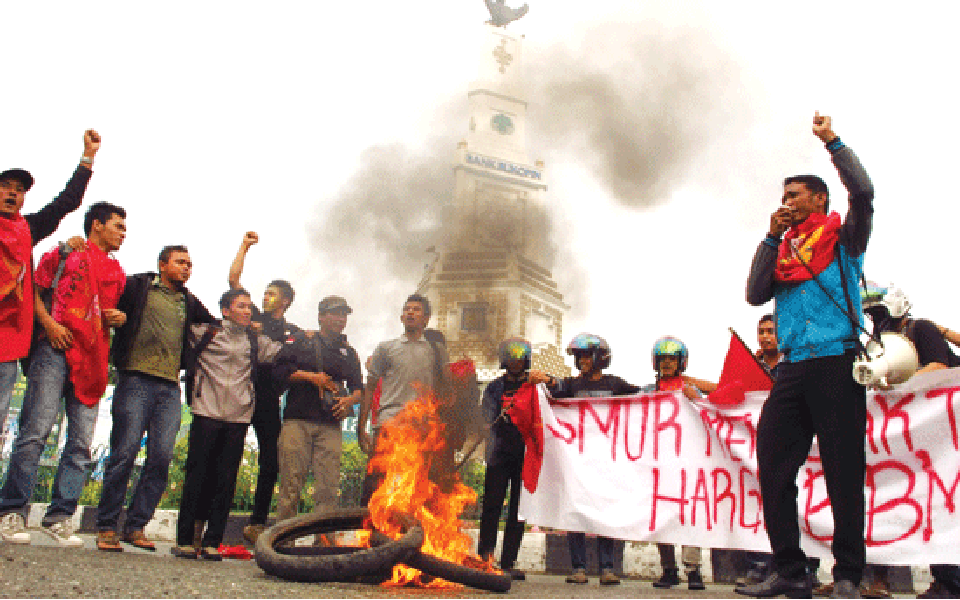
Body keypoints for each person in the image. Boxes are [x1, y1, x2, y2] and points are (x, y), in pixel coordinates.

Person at [740, 112, 874, 599]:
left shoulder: (843, 239)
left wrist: (833, 143)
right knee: (773, 461)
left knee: (842, 472)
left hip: (837, 364)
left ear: (819, 198)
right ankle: (791, 571)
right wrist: (771, 236)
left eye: (794, 195)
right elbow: (755, 296)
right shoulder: (784, 251)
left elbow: (864, 193)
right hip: (794, 370)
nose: (786, 203)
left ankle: (848, 576)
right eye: (783, 198)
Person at [0, 201, 126, 546]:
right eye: (117, 225)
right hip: (53, 349)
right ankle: (11, 511)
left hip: (92, 359)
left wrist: (118, 318)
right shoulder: (63, 254)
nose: (123, 233)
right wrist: (50, 325)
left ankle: (60, 517)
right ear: (96, 225)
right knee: (35, 431)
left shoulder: (117, 270)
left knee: (80, 444)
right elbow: (34, 295)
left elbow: (106, 311)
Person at [95, 245, 215, 552]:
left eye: (190, 264)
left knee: (161, 459)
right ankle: (107, 526)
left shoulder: (187, 301)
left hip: (169, 388)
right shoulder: (138, 286)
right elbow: (108, 305)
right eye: (180, 262)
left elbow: (216, 324)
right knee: (124, 453)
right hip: (134, 378)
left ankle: (135, 527)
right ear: (162, 264)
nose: (187, 268)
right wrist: (117, 318)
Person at [0, 130, 102, 435]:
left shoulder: (27, 229)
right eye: (5, 186)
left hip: (6, 345)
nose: (11, 193)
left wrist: (87, 158)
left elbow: (65, 203)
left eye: (18, 190)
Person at [862, 285, 960, 599]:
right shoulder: (879, 343)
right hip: (913, 436)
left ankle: (950, 581)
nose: (875, 320)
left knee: (940, 502)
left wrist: (898, 383)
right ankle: (887, 578)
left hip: (942, 432)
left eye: (877, 312)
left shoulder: (921, 329)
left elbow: (939, 367)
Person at [170, 288, 284, 560]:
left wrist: (305, 338)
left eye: (249, 307)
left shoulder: (256, 342)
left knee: (226, 480)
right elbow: (178, 331)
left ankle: (212, 541)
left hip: (238, 417)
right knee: (197, 476)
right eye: (241, 306)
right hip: (206, 412)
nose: (247, 311)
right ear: (225, 310)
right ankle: (186, 539)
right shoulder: (206, 334)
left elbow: (286, 353)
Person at [538, 332, 638, 586]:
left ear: (600, 358)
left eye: (586, 355)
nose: (582, 360)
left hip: (607, 462)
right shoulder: (571, 385)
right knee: (575, 512)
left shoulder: (615, 385)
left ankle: (607, 568)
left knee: (605, 512)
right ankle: (578, 568)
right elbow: (556, 388)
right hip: (577, 462)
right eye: (579, 356)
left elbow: (644, 398)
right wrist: (546, 379)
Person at [227, 231, 301, 544]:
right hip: (240, 394)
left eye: (272, 294)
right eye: (265, 292)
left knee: (270, 461)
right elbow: (234, 279)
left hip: (269, 400)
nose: (265, 297)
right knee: (227, 455)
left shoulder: (292, 331)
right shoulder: (251, 316)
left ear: (285, 301)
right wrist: (244, 246)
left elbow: (297, 359)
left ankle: (257, 522)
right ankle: (213, 520)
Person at [271, 295, 362, 524]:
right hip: (297, 421)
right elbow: (278, 372)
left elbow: (358, 388)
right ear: (321, 316)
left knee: (328, 487)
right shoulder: (301, 341)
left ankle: (322, 542)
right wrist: (311, 377)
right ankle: (282, 542)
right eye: (335, 313)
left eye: (344, 314)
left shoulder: (348, 352)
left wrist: (349, 401)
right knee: (291, 483)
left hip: (330, 424)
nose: (340, 319)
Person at [358, 294, 449, 503]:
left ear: (426, 319)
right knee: (376, 484)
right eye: (407, 309)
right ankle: (370, 532)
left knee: (415, 487)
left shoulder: (436, 351)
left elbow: (447, 389)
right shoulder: (385, 348)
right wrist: (361, 426)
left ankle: (409, 533)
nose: (410, 312)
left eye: (416, 309)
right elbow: (370, 388)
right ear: (401, 317)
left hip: (421, 428)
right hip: (389, 424)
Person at [642, 336, 707, 592]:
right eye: (663, 359)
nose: (667, 363)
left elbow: (711, 413)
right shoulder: (647, 392)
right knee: (661, 517)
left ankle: (693, 570)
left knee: (690, 516)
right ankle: (669, 569)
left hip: (688, 462)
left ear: (681, 362)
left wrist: (696, 399)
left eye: (672, 359)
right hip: (657, 463)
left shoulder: (693, 390)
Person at [477, 338, 532, 581]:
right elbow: (484, 416)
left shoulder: (534, 386)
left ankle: (508, 561)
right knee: (491, 506)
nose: (515, 361)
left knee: (518, 511)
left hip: (525, 455)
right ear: (504, 359)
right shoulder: (493, 388)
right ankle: (484, 559)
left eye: (520, 356)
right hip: (498, 454)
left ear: (525, 360)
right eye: (511, 356)